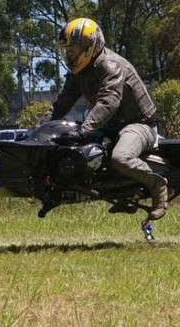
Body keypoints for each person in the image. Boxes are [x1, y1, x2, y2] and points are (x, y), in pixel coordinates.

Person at [45, 17, 169, 220]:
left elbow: (109, 101)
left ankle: (158, 186)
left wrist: (84, 130)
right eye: (66, 51)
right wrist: (39, 130)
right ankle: (122, 193)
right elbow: (61, 104)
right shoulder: (78, 71)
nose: (68, 55)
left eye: (72, 50)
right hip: (110, 126)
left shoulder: (110, 66)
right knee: (81, 154)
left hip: (139, 124)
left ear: (88, 46)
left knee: (121, 158)